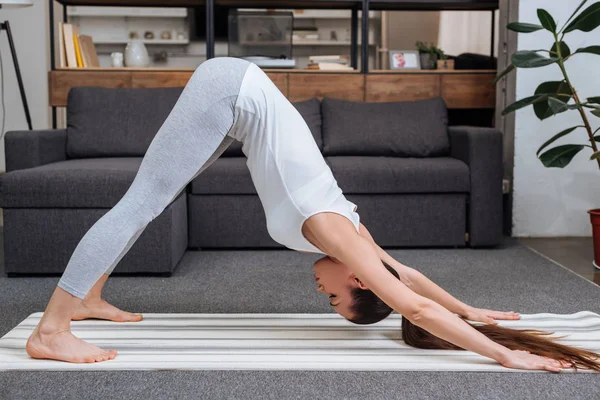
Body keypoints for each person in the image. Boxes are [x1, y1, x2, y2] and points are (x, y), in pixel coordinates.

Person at [25, 57, 600, 372]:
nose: (319, 290)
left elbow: (409, 280)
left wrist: (470, 309)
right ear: (354, 279)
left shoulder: (355, 240)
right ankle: (53, 330)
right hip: (230, 92)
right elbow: (414, 304)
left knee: (149, 201)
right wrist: (504, 355)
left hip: (237, 100)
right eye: (332, 298)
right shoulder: (332, 230)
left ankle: (90, 296)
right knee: (142, 201)